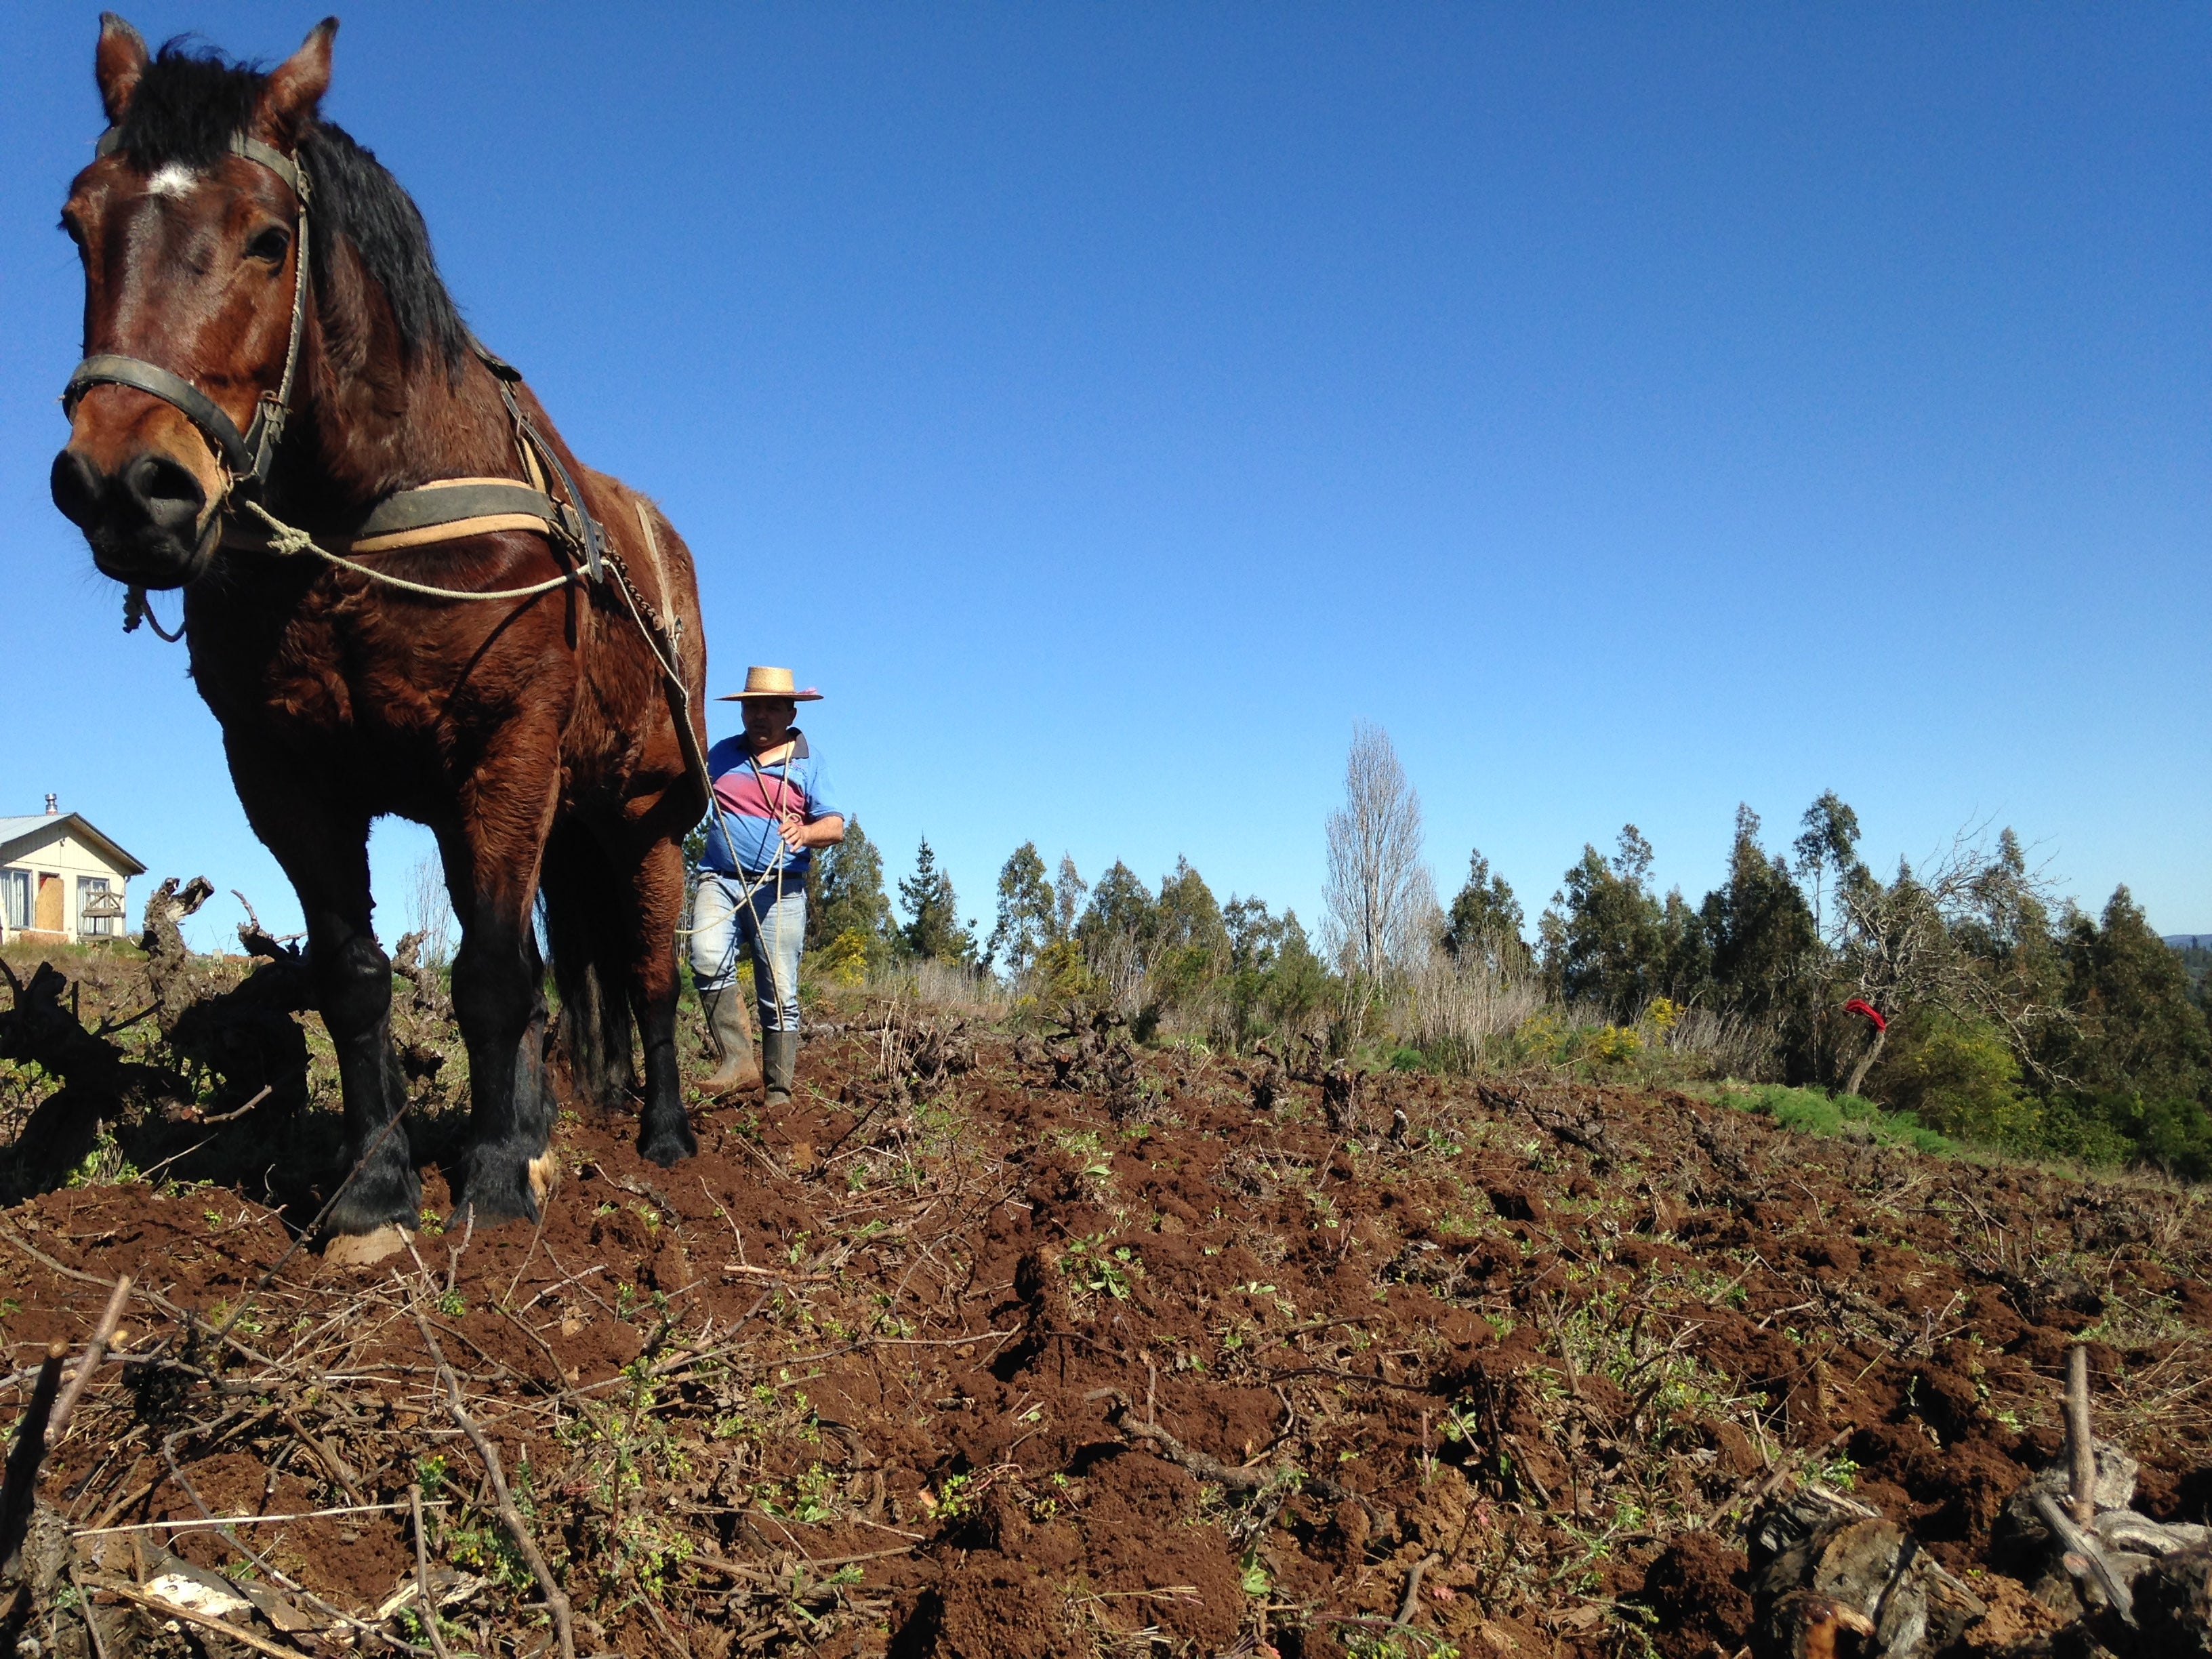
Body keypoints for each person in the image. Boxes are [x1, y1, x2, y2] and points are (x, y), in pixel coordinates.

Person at [691, 665, 845, 1106]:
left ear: (791, 711)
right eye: (752, 707)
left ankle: (778, 1094)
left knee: (779, 991)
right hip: (719, 879)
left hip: (781, 888)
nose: (760, 716)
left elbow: (834, 826)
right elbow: (685, 795)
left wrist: (805, 834)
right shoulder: (720, 755)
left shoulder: (810, 762)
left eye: (771, 707)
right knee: (704, 957)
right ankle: (738, 1061)